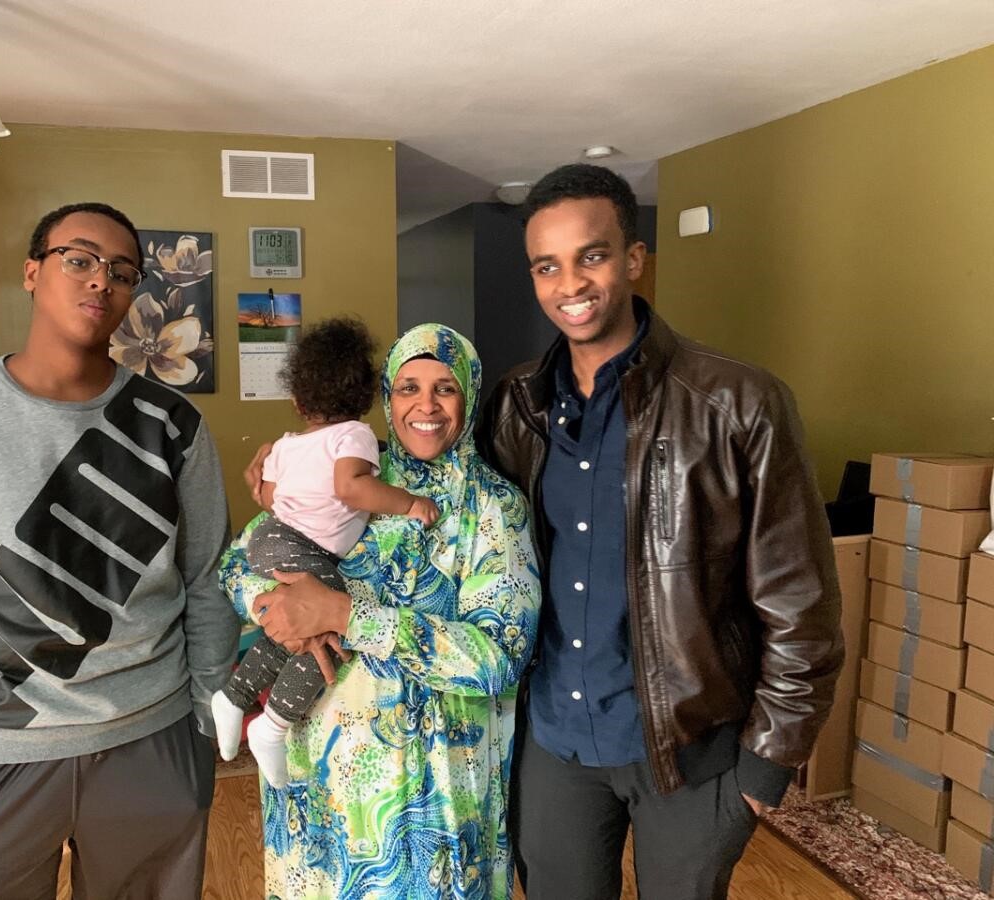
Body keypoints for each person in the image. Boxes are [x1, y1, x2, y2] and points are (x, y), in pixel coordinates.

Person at [476, 164, 844, 900]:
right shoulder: (518, 403)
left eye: (593, 255)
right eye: (547, 266)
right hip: (553, 748)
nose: (569, 284)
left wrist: (764, 769)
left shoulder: (737, 402)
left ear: (634, 259)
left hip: (691, 756)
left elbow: (802, 603)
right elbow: (456, 514)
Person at [0, 202, 240, 899]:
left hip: (149, 744)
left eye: (123, 272)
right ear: (33, 271)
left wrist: (203, 721)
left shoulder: (173, 425)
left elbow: (209, 578)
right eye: (80, 259)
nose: (102, 281)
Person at [221, 323, 541, 899]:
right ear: (386, 397)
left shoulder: (493, 508)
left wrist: (346, 615)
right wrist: (276, 609)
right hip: (317, 784)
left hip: (435, 802)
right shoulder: (350, 470)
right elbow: (237, 563)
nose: (425, 405)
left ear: (468, 397)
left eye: (445, 388)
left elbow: (498, 658)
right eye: (408, 387)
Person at [211, 316, 438, 789]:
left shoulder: (287, 445)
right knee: (334, 619)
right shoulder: (354, 437)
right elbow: (351, 489)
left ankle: (234, 696)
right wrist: (410, 503)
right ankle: (272, 726)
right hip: (298, 544)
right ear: (366, 397)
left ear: (297, 400)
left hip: (270, 536)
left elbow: (269, 498)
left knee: (287, 632)